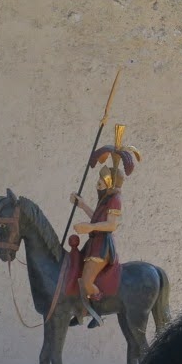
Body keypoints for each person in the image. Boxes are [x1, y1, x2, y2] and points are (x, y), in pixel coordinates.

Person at [69, 123, 142, 325]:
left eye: (100, 182)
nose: (97, 184)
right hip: (94, 243)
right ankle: (84, 308)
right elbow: (97, 218)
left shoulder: (114, 200)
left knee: (86, 281)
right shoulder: (104, 198)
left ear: (109, 183)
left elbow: (110, 225)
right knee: (76, 275)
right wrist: (82, 205)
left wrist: (89, 228)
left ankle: (97, 310)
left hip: (102, 247)